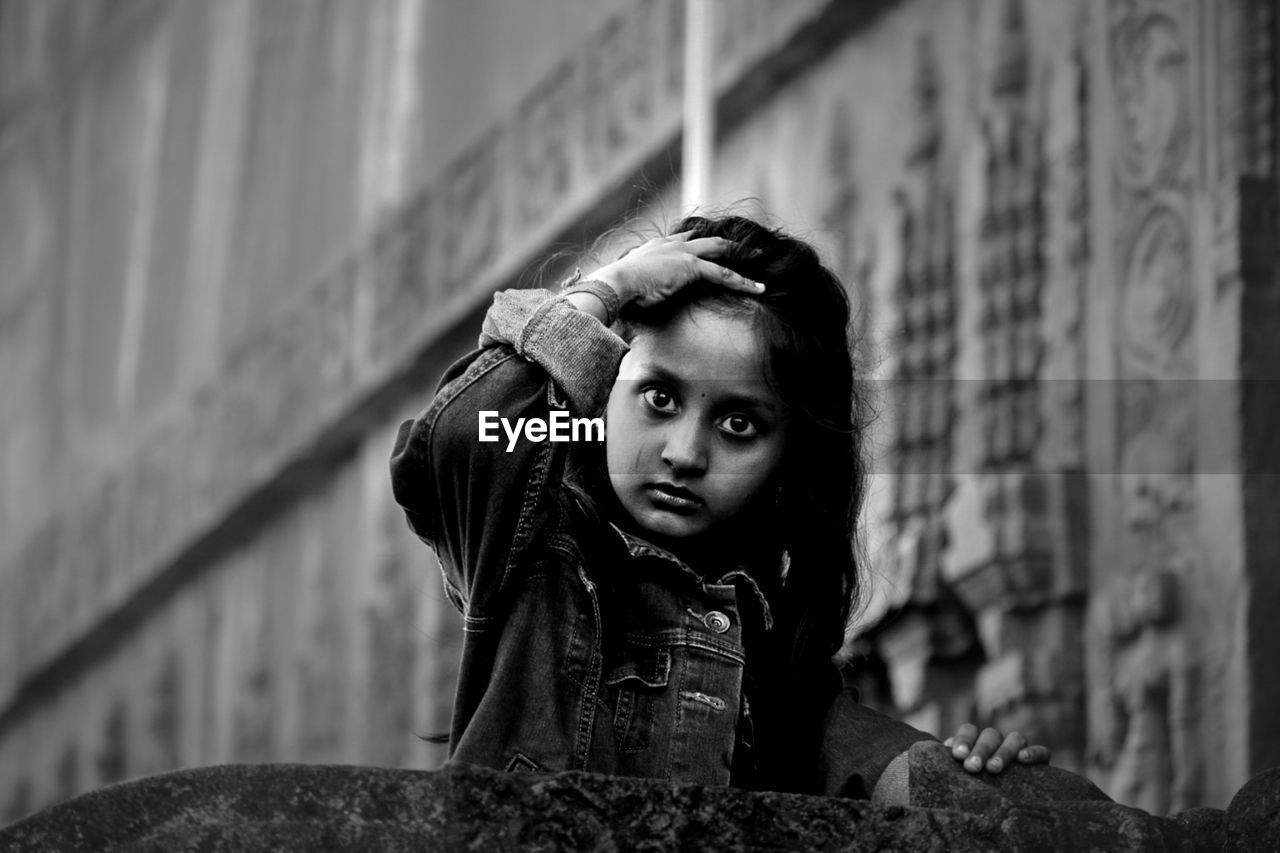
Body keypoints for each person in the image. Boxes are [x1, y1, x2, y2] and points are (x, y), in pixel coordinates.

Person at [390, 213, 1049, 797]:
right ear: (600, 399)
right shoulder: (535, 553)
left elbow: (885, 773)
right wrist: (607, 289)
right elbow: (456, 439)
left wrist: (963, 772)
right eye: (658, 397)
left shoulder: (779, 664)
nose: (683, 452)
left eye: (738, 424)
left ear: (787, 465)